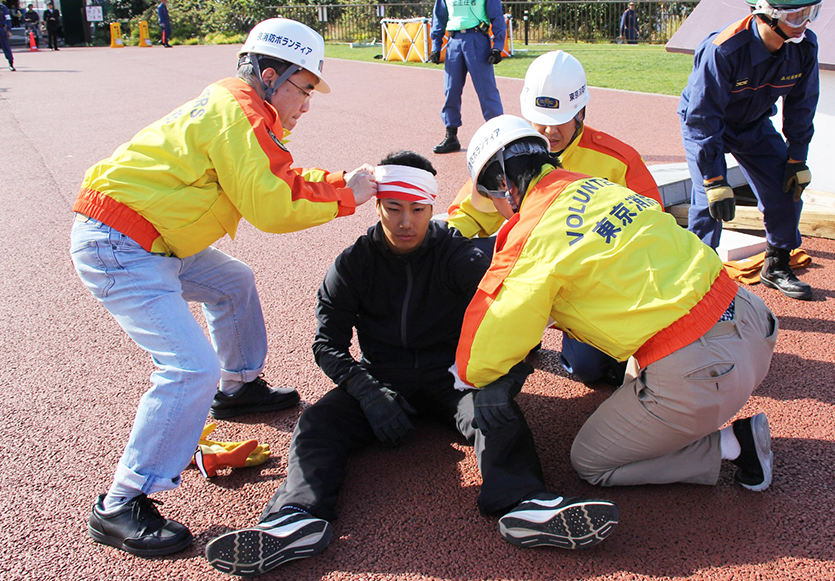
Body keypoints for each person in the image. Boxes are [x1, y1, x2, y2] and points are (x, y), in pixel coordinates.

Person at [204, 151, 618, 576]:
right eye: (394, 209)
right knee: (316, 424)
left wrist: (503, 383)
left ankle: (526, 503)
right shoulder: (352, 265)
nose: (406, 222)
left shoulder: (457, 256)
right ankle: (296, 518)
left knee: (497, 415)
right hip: (382, 378)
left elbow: (516, 316)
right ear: (378, 205)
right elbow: (326, 344)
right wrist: (367, 392)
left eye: (418, 210)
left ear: (432, 207)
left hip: (453, 375)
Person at [71, 17, 379, 558]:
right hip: (122, 243)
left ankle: (238, 389)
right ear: (269, 75)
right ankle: (123, 501)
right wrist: (347, 195)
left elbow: (275, 176)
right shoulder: (239, 114)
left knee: (233, 281)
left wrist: (338, 184)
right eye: (304, 89)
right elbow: (271, 206)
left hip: (152, 237)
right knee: (189, 367)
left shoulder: (239, 108)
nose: (306, 105)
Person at [457, 115, 779, 517]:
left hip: (703, 368)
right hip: (753, 320)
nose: (497, 210)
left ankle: (733, 444)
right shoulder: (597, 185)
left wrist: (463, 374)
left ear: (504, 186)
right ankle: (679, 416)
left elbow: (481, 355)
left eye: (492, 199)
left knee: (591, 461)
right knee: (632, 370)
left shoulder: (530, 233)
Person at [448, 50, 662, 384]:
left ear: (580, 111)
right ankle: (521, 334)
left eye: (559, 118)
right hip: (536, 275)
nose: (548, 129)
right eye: (538, 118)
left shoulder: (617, 161)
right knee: (466, 259)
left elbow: (652, 226)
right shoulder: (508, 153)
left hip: (594, 286)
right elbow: (466, 216)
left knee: (590, 370)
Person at [677, 0, 822, 300]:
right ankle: (696, 281)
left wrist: (797, 159)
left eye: (810, 12)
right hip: (707, 125)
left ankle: (776, 263)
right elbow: (702, 118)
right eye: (795, 14)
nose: (804, 22)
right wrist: (714, 180)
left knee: (787, 188)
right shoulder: (722, 51)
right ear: (767, 12)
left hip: (753, 124)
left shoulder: (803, 49)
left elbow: (802, 106)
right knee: (708, 203)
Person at [429, 0, 506, 154]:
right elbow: (439, 18)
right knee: (450, 90)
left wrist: (496, 47)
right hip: (453, 42)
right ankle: (451, 136)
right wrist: (436, 46)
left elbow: (497, 18)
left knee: (487, 90)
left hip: (477, 41)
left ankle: (499, 136)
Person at [0, 3, 14, 71]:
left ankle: (11, 64)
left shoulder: (3, 7)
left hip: (2, 29)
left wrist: (9, 30)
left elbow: (8, 19)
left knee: (6, 47)